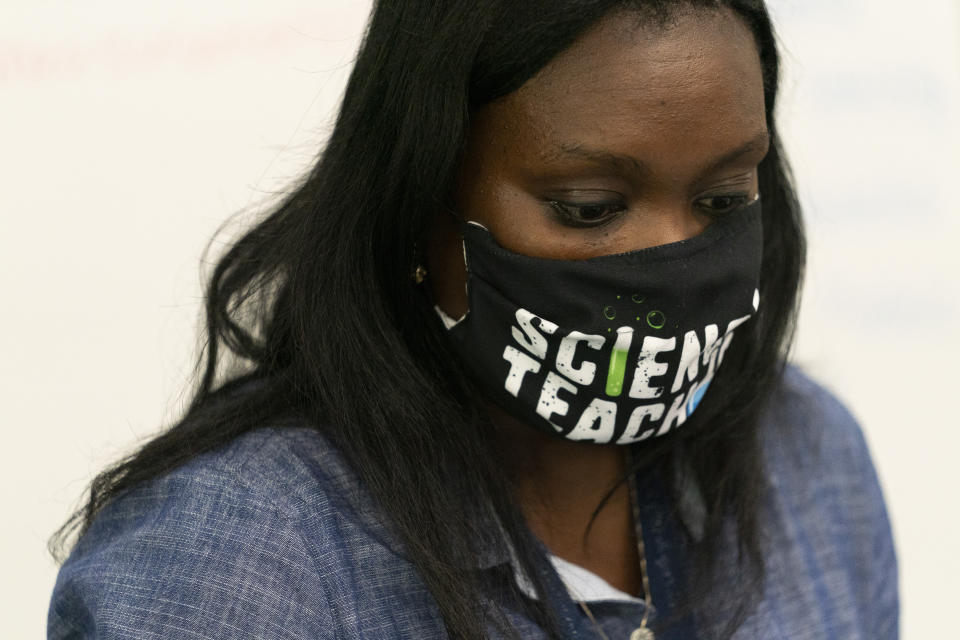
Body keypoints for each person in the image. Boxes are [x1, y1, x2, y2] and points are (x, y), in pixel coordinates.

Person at [46, 1, 899, 638]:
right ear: (422, 203)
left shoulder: (809, 460)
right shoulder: (231, 565)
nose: (674, 258)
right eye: (590, 207)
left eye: (722, 198)